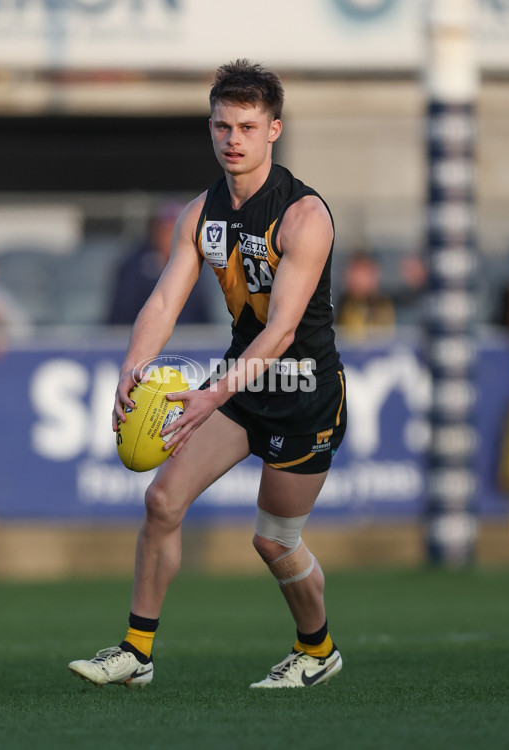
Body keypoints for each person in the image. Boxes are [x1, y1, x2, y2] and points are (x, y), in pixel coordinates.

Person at [68, 59, 347, 689]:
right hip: (240, 386)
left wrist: (210, 395)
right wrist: (133, 367)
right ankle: (136, 653)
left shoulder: (305, 216)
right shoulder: (199, 213)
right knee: (162, 500)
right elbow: (164, 301)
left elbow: (279, 333)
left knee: (273, 541)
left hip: (302, 390)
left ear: (274, 130)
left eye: (248, 126)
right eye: (222, 126)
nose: (233, 140)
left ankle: (318, 649)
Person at [107, 200, 212, 325]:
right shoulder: (133, 267)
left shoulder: (199, 263)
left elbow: (204, 318)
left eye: (179, 231)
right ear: (156, 232)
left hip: (187, 339)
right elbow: (121, 316)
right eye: (168, 231)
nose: (174, 238)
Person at [335, 250, 395, 338]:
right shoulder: (338, 305)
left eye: (365, 270)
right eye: (356, 270)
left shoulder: (385, 304)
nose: (359, 277)